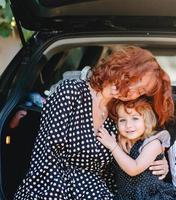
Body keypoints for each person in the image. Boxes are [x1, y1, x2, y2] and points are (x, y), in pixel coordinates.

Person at [14, 46, 174, 199]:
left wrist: (159, 160)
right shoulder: (70, 93)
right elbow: (44, 157)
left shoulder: (119, 115)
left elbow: (127, 161)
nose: (133, 94)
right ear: (123, 68)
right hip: (49, 188)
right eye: (134, 83)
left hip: (95, 192)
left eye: (140, 92)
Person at [97, 97, 176, 199]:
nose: (128, 125)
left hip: (151, 196)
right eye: (122, 120)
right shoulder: (120, 142)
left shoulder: (153, 143)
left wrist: (113, 146)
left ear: (147, 121)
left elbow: (134, 169)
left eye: (135, 118)